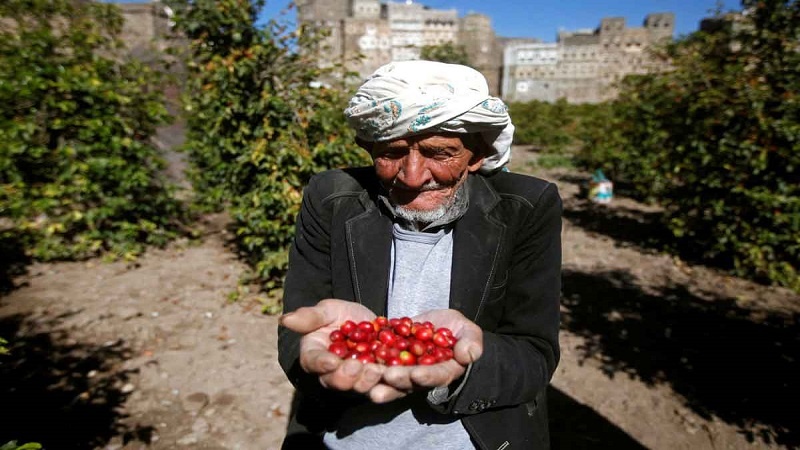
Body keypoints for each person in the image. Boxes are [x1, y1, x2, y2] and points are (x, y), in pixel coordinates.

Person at [278, 60, 562, 450]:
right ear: (368, 147)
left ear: (476, 154)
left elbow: (534, 353)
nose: (412, 176)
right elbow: (300, 332)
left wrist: (464, 368)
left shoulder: (526, 209)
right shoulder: (330, 200)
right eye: (391, 153)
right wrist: (321, 362)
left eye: (439, 153)